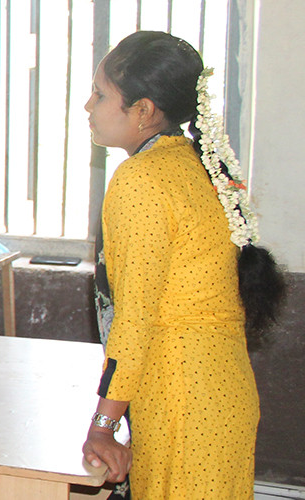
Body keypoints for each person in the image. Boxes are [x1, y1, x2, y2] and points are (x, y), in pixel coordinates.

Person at [79, 31, 284, 499]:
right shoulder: (201, 167)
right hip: (224, 389)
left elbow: (136, 320)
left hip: (182, 399)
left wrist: (103, 425)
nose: (88, 106)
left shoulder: (140, 180)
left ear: (144, 110)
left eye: (101, 94)